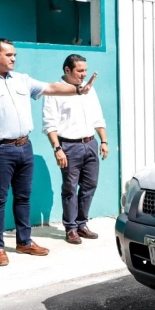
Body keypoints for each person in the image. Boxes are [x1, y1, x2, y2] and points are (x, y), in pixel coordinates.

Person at [0, 38, 96, 267]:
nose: (14, 59)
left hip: (24, 146)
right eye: (9, 55)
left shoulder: (21, 80)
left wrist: (78, 90)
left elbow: (51, 88)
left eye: (14, 55)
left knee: (23, 198)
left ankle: (24, 241)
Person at [42, 54, 109, 245]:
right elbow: (50, 123)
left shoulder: (89, 89)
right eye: (79, 71)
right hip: (69, 145)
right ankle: (70, 228)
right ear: (67, 70)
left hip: (90, 143)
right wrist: (57, 149)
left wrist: (103, 141)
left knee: (89, 185)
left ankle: (82, 223)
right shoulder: (55, 91)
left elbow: (97, 116)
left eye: (85, 71)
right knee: (70, 188)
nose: (83, 75)